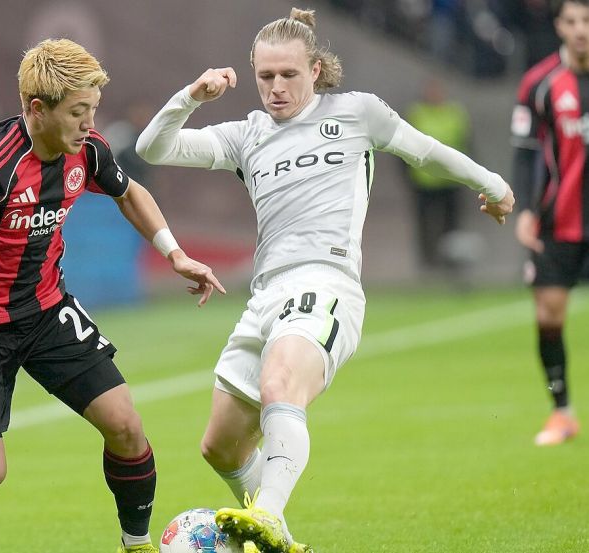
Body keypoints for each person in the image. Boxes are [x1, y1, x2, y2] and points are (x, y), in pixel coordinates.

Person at [136, 8, 514, 553]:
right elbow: (154, 149)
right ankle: (276, 535)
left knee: (279, 387)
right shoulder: (247, 135)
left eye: (289, 74)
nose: (276, 87)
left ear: (316, 69)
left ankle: (267, 514)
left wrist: (493, 183)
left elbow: (425, 149)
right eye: (265, 77)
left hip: (326, 282)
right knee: (220, 445)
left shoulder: (356, 112)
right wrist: (193, 95)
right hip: (265, 293)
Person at [0, 38, 224, 553]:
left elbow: (129, 192)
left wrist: (173, 254)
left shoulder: (88, 151)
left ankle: (136, 542)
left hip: (46, 312)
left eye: (92, 110)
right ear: (37, 109)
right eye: (79, 111)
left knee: (125, 423)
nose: (88, 123)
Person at [510, 0, 589, 446]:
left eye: (588, 19)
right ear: (559, 26)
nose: (580, 29)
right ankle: (562, 412)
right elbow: (525, 152)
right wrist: (525, 208)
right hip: (557, 221)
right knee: (548, 315)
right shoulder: (539, 82)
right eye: (571, 21)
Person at [405, 77, 471, 270]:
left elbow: (466, 143)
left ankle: (452, 262)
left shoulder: (455, 113)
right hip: (424, 181)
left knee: (452, 224)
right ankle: (428, 263)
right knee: (425, 225)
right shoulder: (417, 113)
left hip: (451, 180)